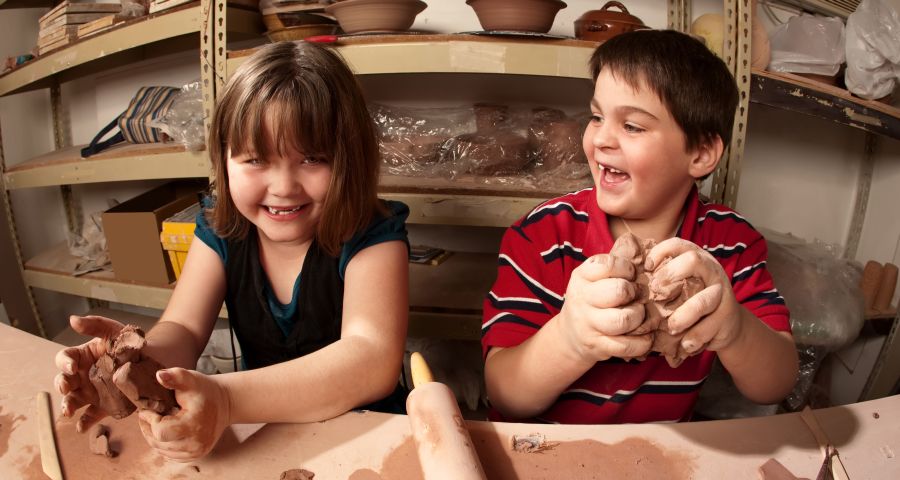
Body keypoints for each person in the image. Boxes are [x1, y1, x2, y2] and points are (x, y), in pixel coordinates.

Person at [54, 41, 410, 460]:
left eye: (312, 159)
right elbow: (183, 329)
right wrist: (132, 362)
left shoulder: (375, 234)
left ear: (351, 159)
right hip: (265, 429)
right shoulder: (221, 229)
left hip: (368, 434)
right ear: (223, 160)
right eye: (256, 160)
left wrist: (225, 399)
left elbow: (369, 358)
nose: (283, 187)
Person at [481, 30, 799, 424]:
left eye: (632, 126)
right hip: (545, 450)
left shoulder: (730, 245)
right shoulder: (544, 235)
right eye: (597, 117)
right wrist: (570, 340)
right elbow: (506, 395)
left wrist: (733, 328)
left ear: (700, 153)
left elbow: (776, 384)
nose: (601, 139)